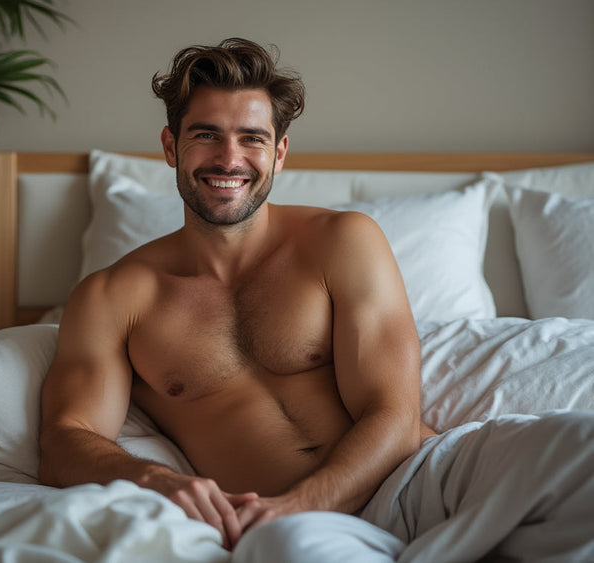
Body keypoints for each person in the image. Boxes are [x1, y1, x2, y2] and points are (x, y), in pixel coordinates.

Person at [39, 38, 594, 561]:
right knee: (287, 553)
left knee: (582, 445)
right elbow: (66, 440)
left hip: (422, 475)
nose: (229, 159)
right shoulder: (113, 296)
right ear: (170, 147)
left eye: (252, 138)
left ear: (279, 153)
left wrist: (304, 500)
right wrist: (152, 478)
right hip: (290, 527)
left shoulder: (342, 241)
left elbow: (393, 414)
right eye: (206, 134)